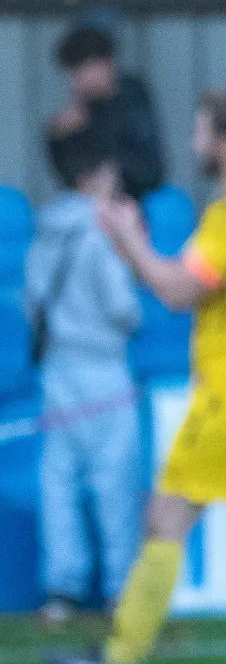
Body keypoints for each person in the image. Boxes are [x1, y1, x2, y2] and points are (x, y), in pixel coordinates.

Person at [47, 90, 226, 664]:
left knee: (164, 519)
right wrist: (133, 243)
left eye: (201, 129)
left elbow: (175, 291)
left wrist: (126, 238)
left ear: (225, 141)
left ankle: (115, 661)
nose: (193, 141)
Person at [25, 143, 142, 625]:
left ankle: (61, 590)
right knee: (113, 479)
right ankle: (119, 588)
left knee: (59, 478)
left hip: (57, 370)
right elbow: (122, 307)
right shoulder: (99, 232)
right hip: (102, 370)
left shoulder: (44, 230)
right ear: (95, 175)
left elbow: (30, 301)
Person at [47, 26, 165, 201]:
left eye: (79, 73)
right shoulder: (81, 111)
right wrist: (58, 139)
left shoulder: (132, 99)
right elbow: (68, 176)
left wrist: (112, 172)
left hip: (132, 203)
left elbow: (150, 169)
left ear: (102, 64)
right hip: (86, 204)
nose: (75, 83)